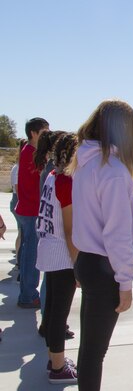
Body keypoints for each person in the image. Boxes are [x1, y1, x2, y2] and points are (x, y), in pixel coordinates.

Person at [70, 99, 133, 391]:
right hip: (103, 269)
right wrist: (125, 282)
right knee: (94, 351)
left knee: (90, 349)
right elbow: (116, 234)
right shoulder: (112, 172)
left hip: (88, 261)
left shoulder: (85, 165)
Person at [36, 133, 79, 384]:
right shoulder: (66, 181)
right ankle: (59, 367)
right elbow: (71, 229)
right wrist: (78, 264)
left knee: (52, 310)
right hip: (62, 253)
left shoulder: (53, 176)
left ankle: (54, 358)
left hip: (49, 247)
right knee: (58, 313)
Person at [15, 117, 49, 309]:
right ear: (33, 134)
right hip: (31, 211)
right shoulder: (32, 153)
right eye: (44, 132)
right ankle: (28, 295)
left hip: (28, 209)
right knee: (31, 255)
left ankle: (27, 293)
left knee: (29, 252)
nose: (46, 135)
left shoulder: (29, 151)